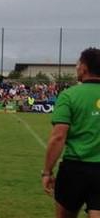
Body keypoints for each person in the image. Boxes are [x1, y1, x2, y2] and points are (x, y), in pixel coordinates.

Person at [43, 48, 100, 218]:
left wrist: (47, 171)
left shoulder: (69, 95)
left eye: (78, 63)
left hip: (75, 169)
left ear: (84, 67)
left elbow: (58, 137)